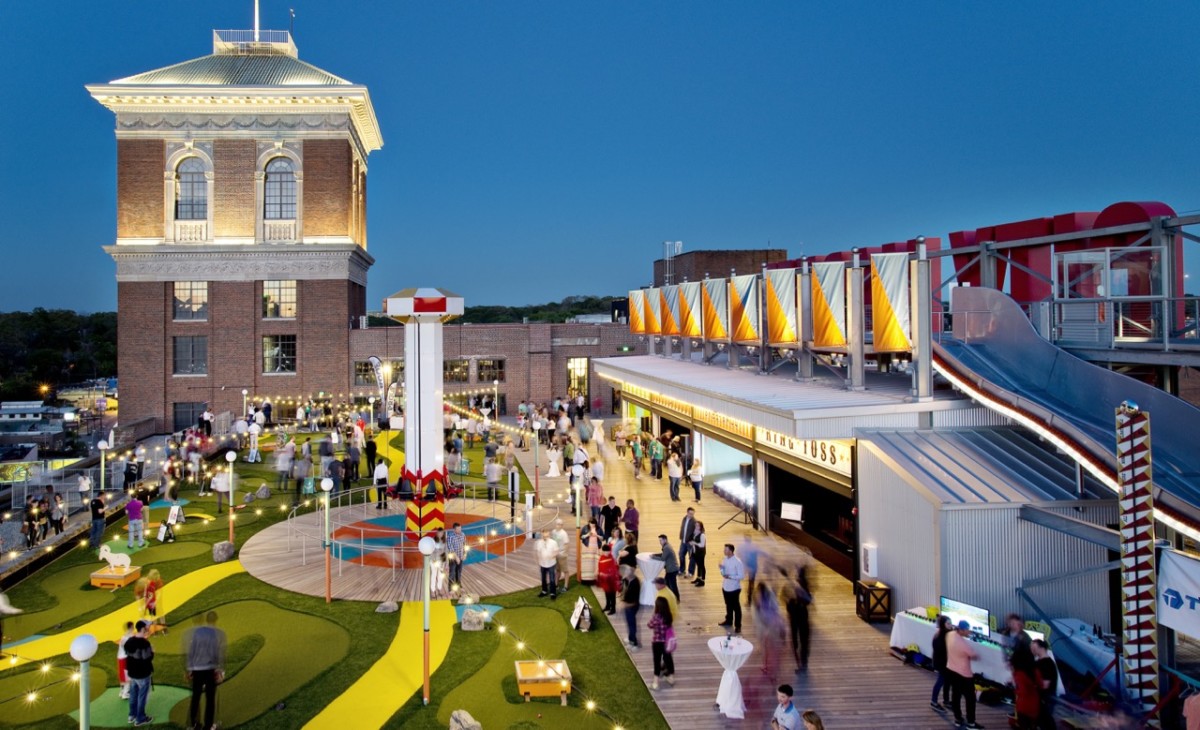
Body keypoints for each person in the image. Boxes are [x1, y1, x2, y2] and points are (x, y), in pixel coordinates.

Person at [186, 610, 227, 730]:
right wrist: (219, 670)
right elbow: (217, 654)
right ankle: (208, 725)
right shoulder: (213, 634)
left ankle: (192, 724)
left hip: (197, 670)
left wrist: (190, 669)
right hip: (209, 669)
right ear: (215, 620)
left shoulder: (197, 633)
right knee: (210, 699)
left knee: (196, 697)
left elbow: (192, 651)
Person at [946, 619, 983, 729]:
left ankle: (958, 719)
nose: (969, 631)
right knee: (970, 699)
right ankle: (971, 723)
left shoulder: (950, 634)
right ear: (961, 630)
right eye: (967, 629)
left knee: (955, 696)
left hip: (951, 670)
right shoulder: (963, 644)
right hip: (964, 675)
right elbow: (975, 656)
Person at [124, 620, 155, 726]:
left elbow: (127, 653)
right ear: (143, 628)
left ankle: (131, 715)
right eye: (147, 627)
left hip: (132, 673)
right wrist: (152, 652)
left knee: (133, 694)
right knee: (142, 696)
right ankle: (140, 718)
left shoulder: (129, 641)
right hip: (143, 673)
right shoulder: (145, 643)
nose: (148, 628)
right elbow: (147, 658)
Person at [754, 581, 786, 673]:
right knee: (769, 646)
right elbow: (776, 608)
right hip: (769, 623)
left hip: (769, 624)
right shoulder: (767, 597)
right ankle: (768, 666)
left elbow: (762, 612)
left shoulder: (761, 598)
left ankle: (767, 666)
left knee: (768, 646)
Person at [647, 595, 675, 690]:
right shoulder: (669, 616)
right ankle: (671, 678)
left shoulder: (656, 617)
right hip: (667, 642)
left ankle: (655, 683)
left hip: (657, 642)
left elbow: (649, 625)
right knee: (668, 659)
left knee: (657, 661)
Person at [1031, 638, 1058, 730]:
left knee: (1045, 723)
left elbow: (1045, 685)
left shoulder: (1047, 664)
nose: (1032, 650)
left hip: (1046, 699)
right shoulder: (1038, 662)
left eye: (1034, 648)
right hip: (1041, 698)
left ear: (1041, 648)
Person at [1012, 646, 1041, 730]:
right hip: (1035, 704)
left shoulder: (1019, 674)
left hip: (1023, 706)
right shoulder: (1035, 671)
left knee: (1023, 725)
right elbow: (1041, 685)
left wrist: (1015, 689)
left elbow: (1023, 692)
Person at [719, 543, 745, 633]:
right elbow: (723, 572)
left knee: (736, 607)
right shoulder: (725, 559)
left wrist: (730, 577)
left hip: (734, 588)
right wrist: (721, 569)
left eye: (725, 550)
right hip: (725, 586)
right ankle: (729, 621)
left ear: (730, 551)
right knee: (728, 605)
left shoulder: (738, 562)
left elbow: (741, 576)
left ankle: (738, 625)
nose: (724, 551)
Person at [619, 564, 641, 649]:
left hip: (632, 607)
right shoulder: (628, 580)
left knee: (632, 625)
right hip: (628, 605)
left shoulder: (635, 584)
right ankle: (630, 638)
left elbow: (634, 602)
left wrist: (624, 605)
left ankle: (634, 643)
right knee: (629, 624)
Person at [655, 534, 681, 601]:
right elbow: (663, 554)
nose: (660, 542)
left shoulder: (667, 548)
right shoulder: (666, 546)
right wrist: (655, 555)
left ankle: (676, 598)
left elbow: (663, 558)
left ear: (665, 540)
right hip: (671, 569)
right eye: (659, 540)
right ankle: (670, 597)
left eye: (661, 540)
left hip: (672, 569)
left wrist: (653, 557)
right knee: (667, 584)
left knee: (672, 585)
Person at [536, 532, 560, 599]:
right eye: (543, 536)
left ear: (549, 535)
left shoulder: (553, 542)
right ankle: (544, 591)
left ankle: (553, 593)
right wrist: (539, 558)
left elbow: (557, 551)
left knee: (552, 579)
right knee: (543, 578)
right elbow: (538, 552)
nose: (544, 537)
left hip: (551, 563)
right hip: (542, 564)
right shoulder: (539, 543)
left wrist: (552, 556)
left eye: (546, 536)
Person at [551, 519, 571, 593]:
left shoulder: (564, 534)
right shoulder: (553, 532)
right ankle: (556, 585)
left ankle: (566, 586)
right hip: (555, 554)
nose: (559, 525)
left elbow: (566, 544)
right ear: (555, 524)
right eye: (557, 524)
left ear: (562, 525)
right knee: (557, 570)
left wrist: (564, 553)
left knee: (565, 571)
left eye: (560, 524)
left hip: (562, 555)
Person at [597, 548, 619, 614]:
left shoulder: (611, 559)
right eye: (605, 551)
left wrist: (605, 574)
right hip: (605, 581)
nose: (606, 553)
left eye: (607, 551)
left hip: (611, 581)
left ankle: (613, 609)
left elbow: (614, 569)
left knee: (612, 595)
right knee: (607, 594)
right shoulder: (601, 558)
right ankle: (608, 606)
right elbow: (600, 567)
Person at [116, 620, 135, 699]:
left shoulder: (124, 636)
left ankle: (122, 691)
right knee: (127, 676)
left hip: (120, 658)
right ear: (131, 627)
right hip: (125, 658)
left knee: (122, 675)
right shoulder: (129, 637)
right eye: (133, 627)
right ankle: (126, 693)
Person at [679, 507, 698, 579]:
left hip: (689, 543)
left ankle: (691, 572)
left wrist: (692, 541)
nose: (691, 515)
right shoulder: (684, 519)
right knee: (681, 555)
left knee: (692, 557)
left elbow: (696, 532)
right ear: (687, 513)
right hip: (683, 541)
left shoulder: (694, 522)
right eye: (690, 513)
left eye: (692, 514)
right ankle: (682, 569)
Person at [446, 522, 466, 590]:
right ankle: (450, 588)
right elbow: (450, 548)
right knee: (452, 573)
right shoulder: (450, 537)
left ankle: (459, 585)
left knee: (459, 572)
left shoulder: (463, 534)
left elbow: (464, 545)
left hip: (461, 556)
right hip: (453, 558)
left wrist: (465, 554)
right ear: (454, 530)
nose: (460, 530)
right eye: (458, 529)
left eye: (460, 529)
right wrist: (456, 557)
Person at [691, 521, 708, 586]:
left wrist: (694, 543)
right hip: (695, 552)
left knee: (702, 566)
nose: (696, 526)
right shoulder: (695, 533)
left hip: (700, 553)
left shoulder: (702, 535)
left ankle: (702, 581)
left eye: (698, 525)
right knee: (698, 566)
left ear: (700, 527)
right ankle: (698, 578)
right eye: (696, 525)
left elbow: (702, 545)